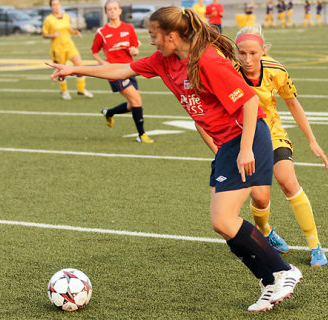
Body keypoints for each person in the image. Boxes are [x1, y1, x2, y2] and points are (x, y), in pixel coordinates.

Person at [46, 6, 303, 312]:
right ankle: (269, 279)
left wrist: (247, 148)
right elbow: (122, 69)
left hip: (246, 139)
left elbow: (248, 101)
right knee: (222, 225)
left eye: (154, 35)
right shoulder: (163, 60)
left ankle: (283, 271)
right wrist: (76, 70)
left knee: (223, 219)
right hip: (227, 145)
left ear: (171, 35)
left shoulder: (206, 59)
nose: (151, 41)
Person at [233, 26, 328, 267]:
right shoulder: (229, 72)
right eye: (242, 53)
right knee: (261, 199)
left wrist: (312, 139)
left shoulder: (276, 70)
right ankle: (265, 231)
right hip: (242, 140)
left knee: (289, 183)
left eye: (253, 53)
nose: (247, 59)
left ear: (263, 50)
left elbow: (293, 104)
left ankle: (315, 245)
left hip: (272, 133)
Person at [91, 0, 153, 143]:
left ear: (120, 11)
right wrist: (103, 63)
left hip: (130, 69)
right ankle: (141, 134)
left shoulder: (129, 28)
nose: (112, 11)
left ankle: (109, 112)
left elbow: (135, 49)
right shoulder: (102, 32)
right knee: (137, 100)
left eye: (115, 8)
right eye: (109, 9)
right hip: (114, 72)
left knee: (132, 105)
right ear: (106, 13)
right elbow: (94, 52)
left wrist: (134, 50)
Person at [42, 0, 93, 100]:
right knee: (62, 70)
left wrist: (74, 32)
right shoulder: (48, 19)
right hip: (57, 49)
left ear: (60, 5)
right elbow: (44, 34)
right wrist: (53, 35)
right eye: (54, 5)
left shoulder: (66, 16)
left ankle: (81, 89)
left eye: (57, 4)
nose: (56, 6)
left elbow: (68, 29)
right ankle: (64, 91)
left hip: (69, 46)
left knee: (79, 65)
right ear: (51, 7)